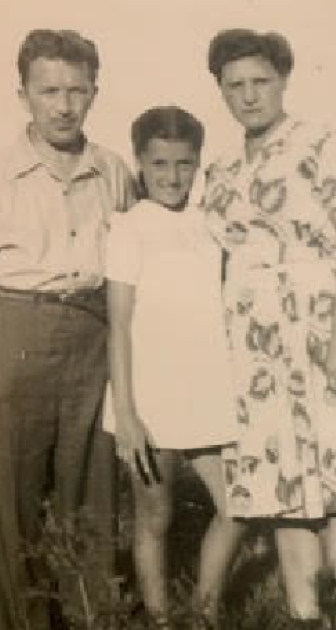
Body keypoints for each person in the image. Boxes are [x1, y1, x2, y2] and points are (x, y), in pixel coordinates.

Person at [0, 29, 135, 630]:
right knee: (9, 501)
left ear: (95, 93)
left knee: (91, 488)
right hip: (18, 337)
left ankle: (93, 615)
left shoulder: (114, 171)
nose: (64, 105)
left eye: (77, 90)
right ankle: (16, 621)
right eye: (50, 91)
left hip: (94, 337)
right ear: (24, 96)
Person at [200, 29, 336, 627]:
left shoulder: (328, 145)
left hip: (324, 331)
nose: (249, 96)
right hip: (256, 347)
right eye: (234, 85)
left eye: (260, 81)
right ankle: (304, 615)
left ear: (284, 80)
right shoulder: (219, 172)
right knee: (280, 490)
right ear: (220, 90)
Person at [104, 106, 246, 627]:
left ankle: (205, 612)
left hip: (208, 391)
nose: (172, 176)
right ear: (139, 162)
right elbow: (118, 325)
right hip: (150, 396)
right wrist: (127, 414)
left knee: (239, 507)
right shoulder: (129, 228)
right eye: (159, 163)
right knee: (154, 515)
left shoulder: (210, 225)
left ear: (198, 163)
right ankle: (160, 619)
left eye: (184, 163)